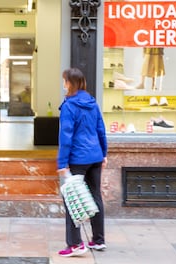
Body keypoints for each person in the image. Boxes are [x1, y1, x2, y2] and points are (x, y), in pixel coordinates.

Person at [57, 68, 108, 257]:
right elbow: (100, 129)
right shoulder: (92, 103)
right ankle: (98, 240)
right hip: (95, 156)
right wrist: (103, 153)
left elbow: (66, 137)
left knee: (73, 199)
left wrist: (62, 164)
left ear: (70, 83)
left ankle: (75, 244)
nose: (63, 85)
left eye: (64, 81)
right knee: (96, 196)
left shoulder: (69, 106)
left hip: (78, 158)